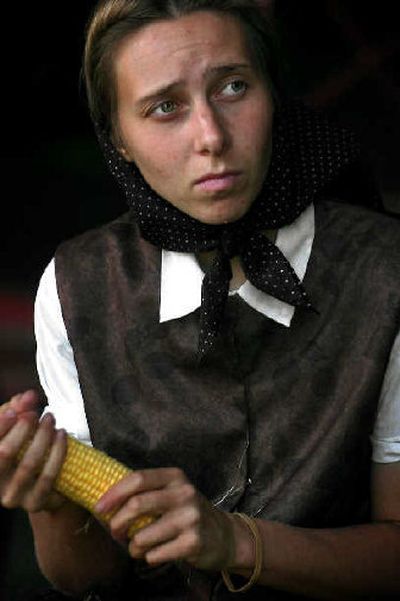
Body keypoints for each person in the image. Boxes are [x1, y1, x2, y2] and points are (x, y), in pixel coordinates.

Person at [1, 1, 400, 599]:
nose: (211, 137)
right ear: (120, 140)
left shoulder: (384, 272)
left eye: (234, 87)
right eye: (165, 108)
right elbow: (87, 577)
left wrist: (235, 541)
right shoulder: (78, 287)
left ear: (275, 96)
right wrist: (51, 502)